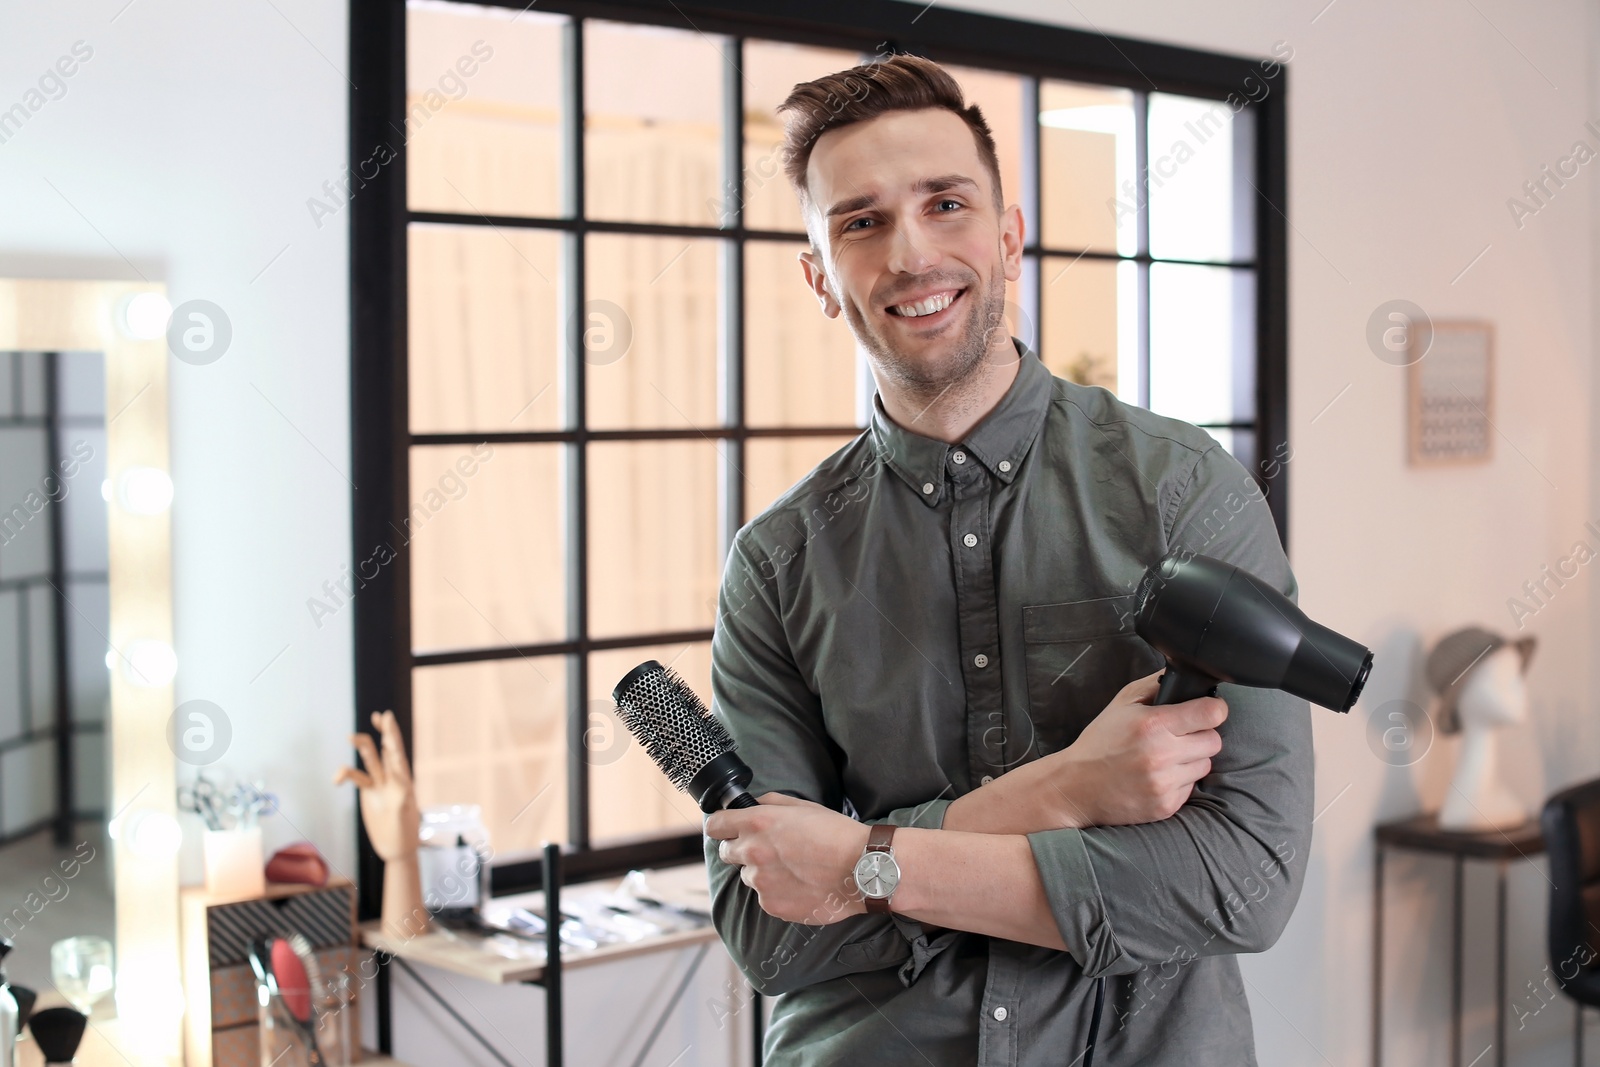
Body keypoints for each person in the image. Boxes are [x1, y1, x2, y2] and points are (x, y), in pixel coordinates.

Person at [703, 54, 1310, 1066]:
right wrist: (1066, 787)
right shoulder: (775, 564)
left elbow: (1242, 878)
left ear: (1009, 235)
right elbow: (766, 927)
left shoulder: (1181, 490)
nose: (909, 253)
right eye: (859, 222)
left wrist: (861, 861)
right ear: (819, 277)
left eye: (946, 202)